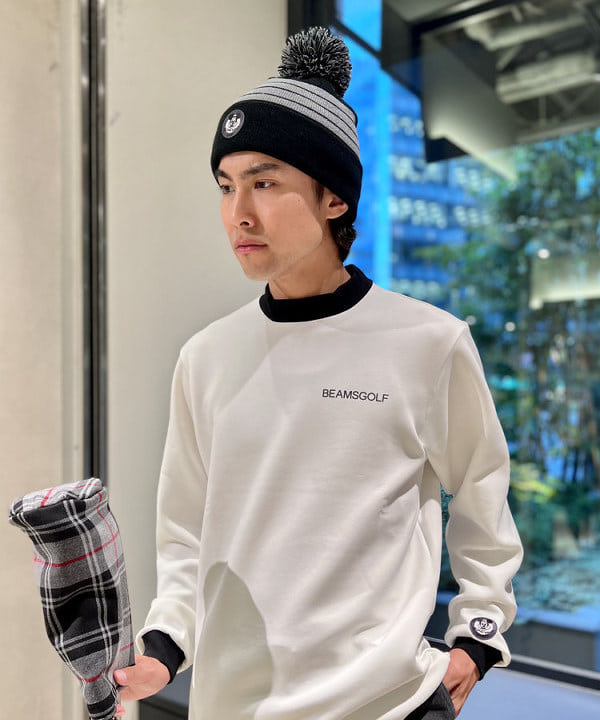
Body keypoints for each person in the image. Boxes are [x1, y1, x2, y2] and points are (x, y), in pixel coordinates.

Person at [114, 27, 523, 720]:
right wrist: (162, 646)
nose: (238, 213)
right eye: (226, 186)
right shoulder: (206, 357)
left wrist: (477, 635)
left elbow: (483, 488)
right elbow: (185, 531)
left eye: (265, 183)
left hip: (389, 703)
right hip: (232, 706)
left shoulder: (427, 342)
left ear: (334, 197)